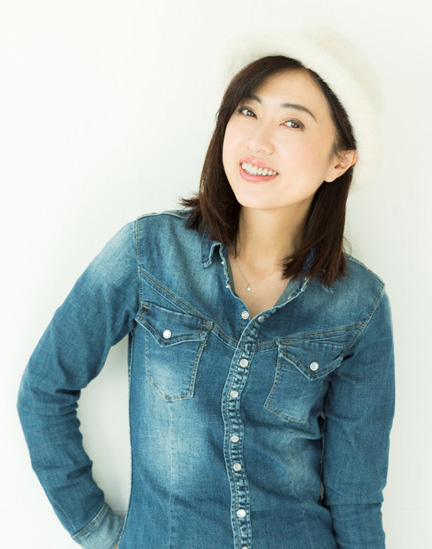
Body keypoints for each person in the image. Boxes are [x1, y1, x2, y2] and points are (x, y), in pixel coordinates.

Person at [17, 27, 395, 549]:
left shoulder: (360, 305)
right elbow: (43, 390)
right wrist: (101, 534)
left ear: (339, 160)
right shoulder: (149, 253)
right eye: (247, 111)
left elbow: (356, 497)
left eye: (292, 121)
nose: (258, 140)